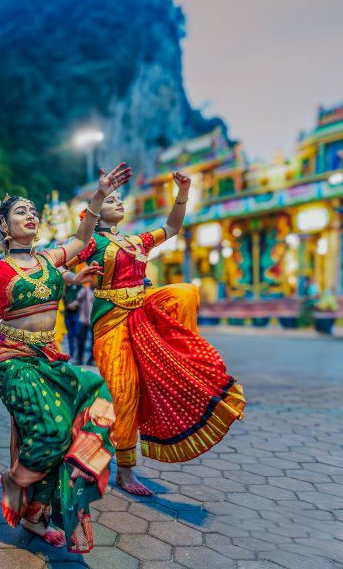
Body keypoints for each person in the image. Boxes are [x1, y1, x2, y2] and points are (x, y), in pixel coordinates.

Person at [0, 164, 129, 553]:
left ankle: (36, 514)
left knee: (92, 399)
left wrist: (99, 194)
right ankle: (15, 481)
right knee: (51, 429)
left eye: (32, 210)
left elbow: (81, 236)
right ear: (3, 227)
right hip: (12, 359)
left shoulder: (51, 260)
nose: (30, 214)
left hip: (48, 356)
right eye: (20, 211)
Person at [72, 170, 246, 497]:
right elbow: (76, 243)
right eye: (111, 201)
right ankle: (124, 470)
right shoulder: (91, 242)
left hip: (143, 309)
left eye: (118, 198)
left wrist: (183, 192)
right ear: (95, 215)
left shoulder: (136, 240)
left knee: (185, 293)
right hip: (111, 322)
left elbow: (173, 227)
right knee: (124, 391)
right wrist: (98, 196)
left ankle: (175, 354)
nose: (119, 202)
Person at [63, 280, 82, 362]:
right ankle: (72, 354)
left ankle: (78, 356)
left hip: (77, 314)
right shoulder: (67, 287)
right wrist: (68, 304)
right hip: (68, 314)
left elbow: (81, 298)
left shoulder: (80, 287)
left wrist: (75, 304)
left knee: (77, 335)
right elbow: (63, 296)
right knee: (70, 335)